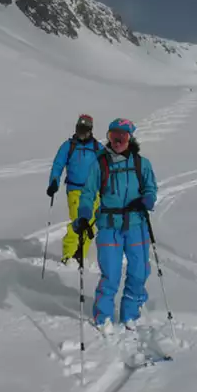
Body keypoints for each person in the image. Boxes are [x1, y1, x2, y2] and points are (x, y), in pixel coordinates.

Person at [73, 118, 158, 329]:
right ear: (109, 137)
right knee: (110, 273)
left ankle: (131, 314)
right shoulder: (99, 164)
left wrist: (147, 200)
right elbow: (88, 193)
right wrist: (83, 214)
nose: (117, 141)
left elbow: (150, 188)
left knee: (140, 271)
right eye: (113, 136)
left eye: (122, 136)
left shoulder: (141, 164)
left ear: (130, 138)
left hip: (136, 223)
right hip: (109, 226)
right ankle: (103, 318)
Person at [47, 114, 101, 265]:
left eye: (84, 129)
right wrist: (53, 182)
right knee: (78, 221)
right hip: (75, 190)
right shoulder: (69, 146)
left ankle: (81, 253)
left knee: (91, 224)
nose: (81, 132)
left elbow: (106, 168)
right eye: (79, 128)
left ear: (90, 130)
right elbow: (58, 164)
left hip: (93, 192)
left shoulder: (97, 148)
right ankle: (68, 255)